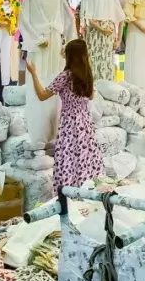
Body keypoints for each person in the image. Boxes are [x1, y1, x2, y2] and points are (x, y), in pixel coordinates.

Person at [26, 38, 103, 191]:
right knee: (84, 159)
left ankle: (68, 195)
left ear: (70, 56)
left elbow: (42, 95)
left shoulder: (65, 76)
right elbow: (91, 97)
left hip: (70, 124)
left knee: (68, 159)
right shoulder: (87, 75)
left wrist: (33, 73)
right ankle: (86, 193)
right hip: (85, 124)